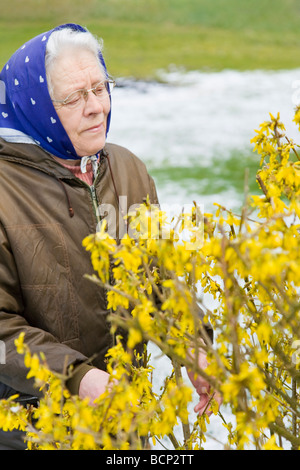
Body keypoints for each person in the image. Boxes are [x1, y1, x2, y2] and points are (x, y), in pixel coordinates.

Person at [0, 23, 218, 450]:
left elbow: (160, 279)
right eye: (74, 97)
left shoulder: (126, 170)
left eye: (100, 88)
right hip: (32, 435)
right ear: (35, 105)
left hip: (123, 430)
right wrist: (77, 379)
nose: (97, 107)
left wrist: (194, 346)